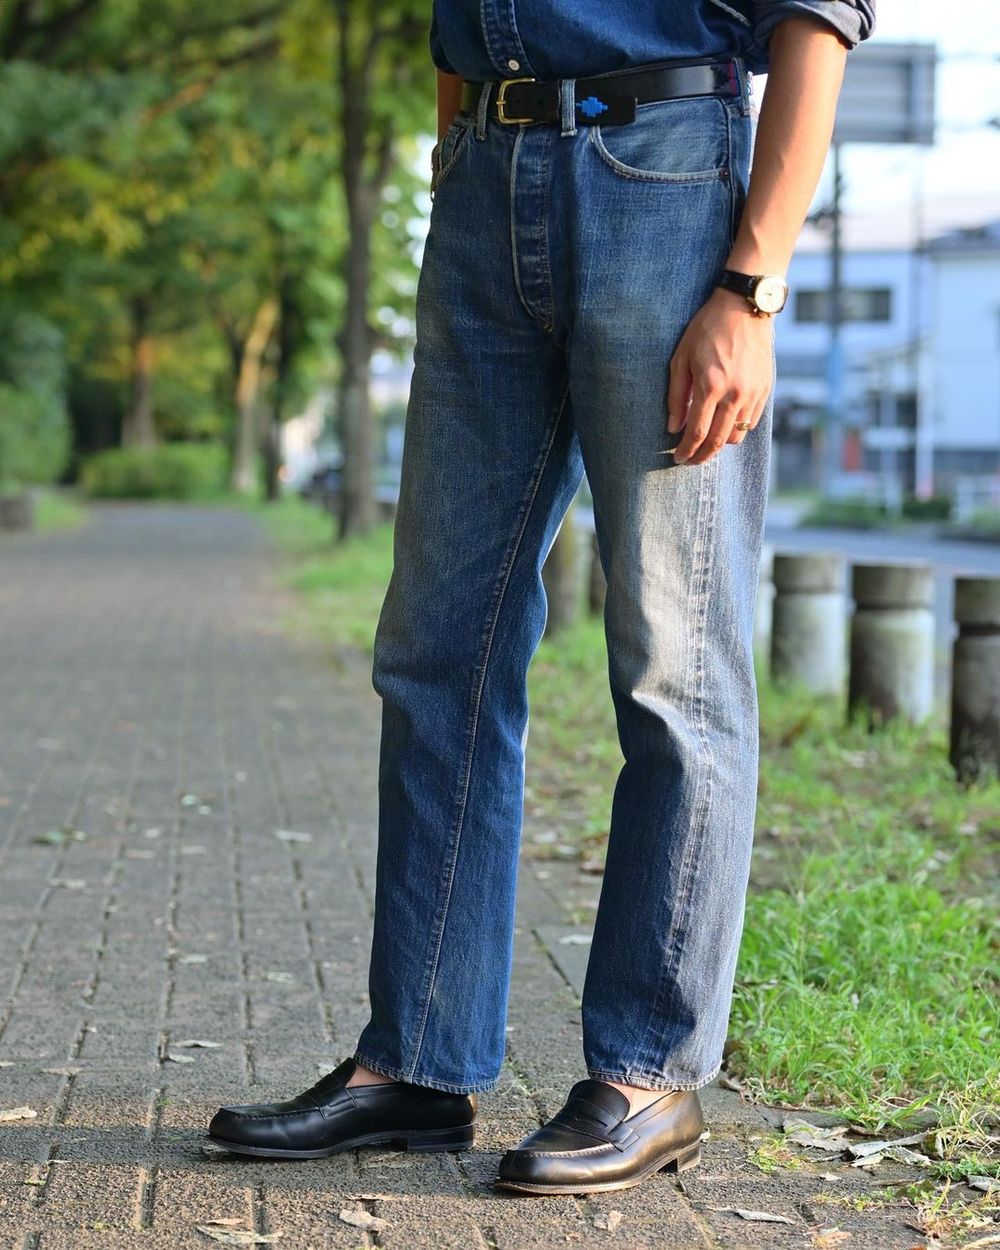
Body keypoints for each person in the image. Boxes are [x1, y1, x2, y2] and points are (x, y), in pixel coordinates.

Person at [208, 0, 875, 1196]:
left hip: (661, 180)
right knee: (433, 651)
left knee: (673, 662)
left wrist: (752, 285)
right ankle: (416, 1060)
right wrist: (464, 145)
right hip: (479, 185)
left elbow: (815, 20)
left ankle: (649, 1068)